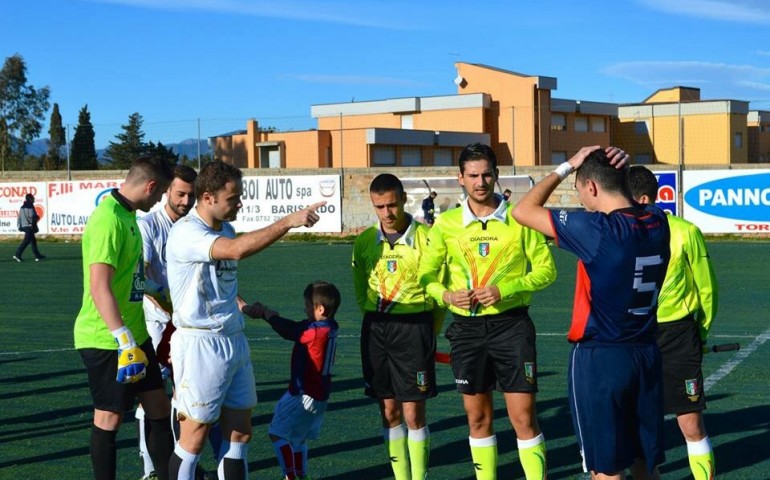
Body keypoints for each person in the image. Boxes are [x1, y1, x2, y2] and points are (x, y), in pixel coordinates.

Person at [512, 146, 670, 480]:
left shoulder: (598, 230)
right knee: (646, 465)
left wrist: (568, 165)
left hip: (602, 359)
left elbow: (523, 210)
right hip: (646, 353)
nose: (580, 199)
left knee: (606, 471)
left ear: (592, 187)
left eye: (580, 190)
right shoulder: (658, 221)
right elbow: (630, 201)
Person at [165, 160, 324, 480]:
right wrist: (288, 221)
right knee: (194, 436)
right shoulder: (187, 232)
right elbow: (235, 251)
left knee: (240, 433)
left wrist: (240, 304)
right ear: (208, 197)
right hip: (200, 343)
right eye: (233, 197)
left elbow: (216, 278)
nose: (240, 202)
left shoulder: (223, 226)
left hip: (233, 339)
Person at [418, 143, 556, 480]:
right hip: (466, 331)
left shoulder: (520, 218)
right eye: (473, 175)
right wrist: (447, 296)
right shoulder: (447, 224)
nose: (481, 182)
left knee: (523, 418)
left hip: (512, 328)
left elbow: (547, 270)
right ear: (460, 179)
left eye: (487, 174)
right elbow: (425, 276)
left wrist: (503, 290)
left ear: (496, 176)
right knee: (477, 419)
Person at [73, 155, 175, 480]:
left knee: (159, 408)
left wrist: (161, 294)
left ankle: (167, 475)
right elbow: (99, 286)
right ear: (150, 186)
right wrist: (123, 338)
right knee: (109, 418)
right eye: (159, 195)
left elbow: (130, 277)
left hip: (134, 334)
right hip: (107, 338)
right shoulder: (108, 220)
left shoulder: (128, 215)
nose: (159, 201)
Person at [628, 166, 718, 480]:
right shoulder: (620, 233)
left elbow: (706, 289)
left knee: (690, 423)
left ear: (641, 199)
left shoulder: (685, 231)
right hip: (635, 335)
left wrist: (700, 333)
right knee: (638, 423)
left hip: (679, 336)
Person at [352, 173, 443, 480]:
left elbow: (439, 293)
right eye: (380, 207)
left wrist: (430, 331)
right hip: (376, 329)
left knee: (413, 413)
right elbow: (360, 288)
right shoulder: (364, 241)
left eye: (392, 205)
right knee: (389, 412)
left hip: (414, 328)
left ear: (404, 199)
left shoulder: (427, 238)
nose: (387, 213)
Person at [136, 164, 217, 480]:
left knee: (186, 396)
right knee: (151, 399)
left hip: (189, 327)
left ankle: (185, 464)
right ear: (166, 190)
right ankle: (152, 469)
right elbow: (140, 276)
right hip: (157, 325)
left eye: (190, 195)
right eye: (180, 193)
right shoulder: (148, 227)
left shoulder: (195, 226)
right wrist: (171, 307)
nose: (185, 201)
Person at [242, 281, 341, 480]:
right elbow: (297, 327)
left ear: (320, 309)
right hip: (319, 394)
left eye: (307, 306)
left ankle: (290, 476)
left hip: (303, 393)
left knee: (277, 434)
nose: (304, 309)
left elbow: (291, 331)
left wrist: (266, 315)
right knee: (298, 439)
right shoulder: (329, 326)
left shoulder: (314, 332)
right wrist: (270, 314)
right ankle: (301, 475)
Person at [13, 193, 45, 262]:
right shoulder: (30, 207)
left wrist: (19, 225)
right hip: (29, 226)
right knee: (26, 241)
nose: (33, 199)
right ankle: (17, 255)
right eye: (32, 198)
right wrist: (36, 217)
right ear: (30, 199)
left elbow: (19, 217)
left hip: (24, 226)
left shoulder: (22, 207)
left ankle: (37, 255)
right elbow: (31, 216)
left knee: (33, 241)